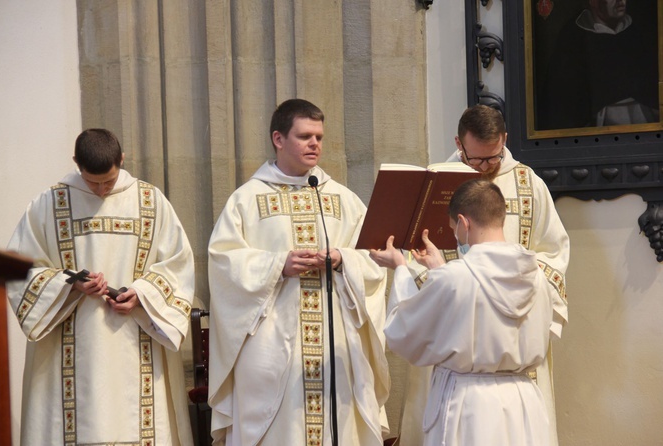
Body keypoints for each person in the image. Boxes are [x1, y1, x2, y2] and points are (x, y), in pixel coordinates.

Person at [207, 98, 390, 445]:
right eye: (305, 136)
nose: (315, 145)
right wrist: (279, 265)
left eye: (319, 137)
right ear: (279, 139)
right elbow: (223, 262)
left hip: (336, 343)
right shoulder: (247, 200)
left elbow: (374, 256)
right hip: (271, 343)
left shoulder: (341, 199)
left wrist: (341, 259)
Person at [6, 128, 195, 445]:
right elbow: (20, 271)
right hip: (69, 345)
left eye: (109, 180)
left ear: (121, 160)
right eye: (93, 182)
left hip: (136, 339)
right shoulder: (48, 204)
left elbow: (179, 265)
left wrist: (142, 294)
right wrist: (69, 283)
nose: (102, 190)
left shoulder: (150, 201)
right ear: (76, 163)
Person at [399, 104, 569, 445]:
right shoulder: (434, 181)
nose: (485, 168)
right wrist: (440, 278)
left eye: (492, 158)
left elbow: (556, 252)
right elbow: (412, 250)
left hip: (510, 335)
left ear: (504, 140)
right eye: (476, 160)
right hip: (452, 333)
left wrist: (518, 277)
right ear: (459, 144)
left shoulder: (528, 183)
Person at [370, 179, 560, 446]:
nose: (457, 237)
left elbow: (404, 332)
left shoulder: (454, 277)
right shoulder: (537, 277)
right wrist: (440, 270)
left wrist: (401, 268)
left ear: (463, 222)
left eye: (454, 229)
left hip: (470, 406)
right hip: (523, 402)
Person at [540, 0, 659, 129]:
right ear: (593, 2)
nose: (621, 1)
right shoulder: (573, 38)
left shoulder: (637, 32)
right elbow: (563, 102)